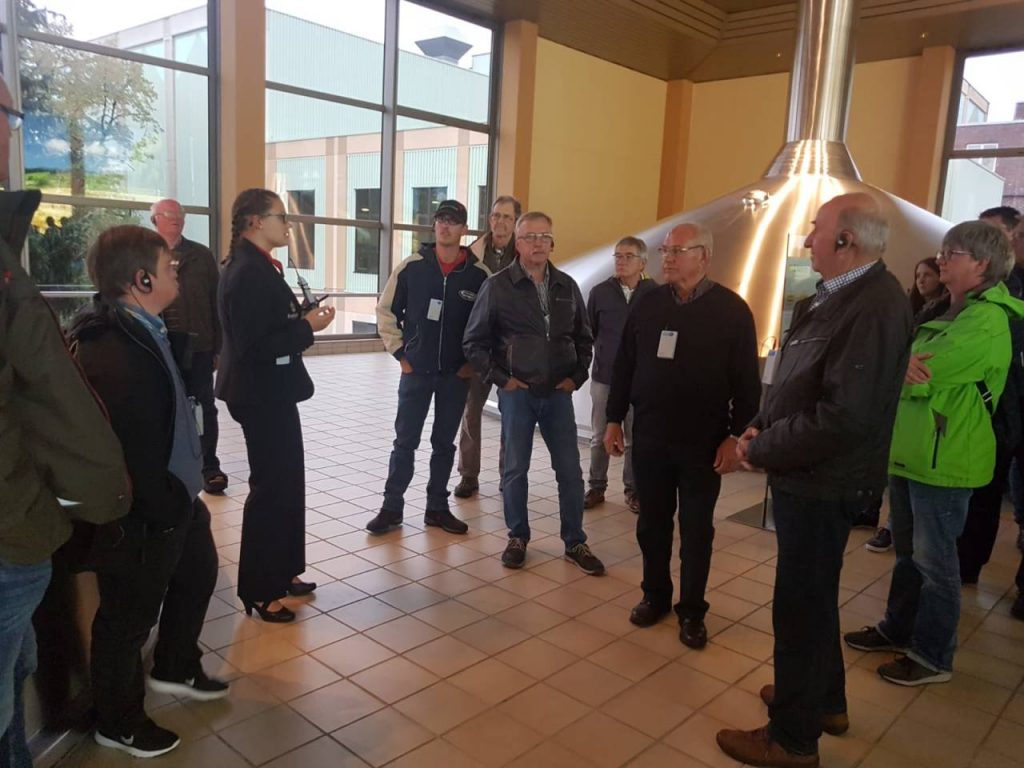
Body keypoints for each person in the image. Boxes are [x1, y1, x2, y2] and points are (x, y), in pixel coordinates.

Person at [716, 194, 913, 767]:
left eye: (815, 230)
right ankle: (823, 701)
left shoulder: (874, 306)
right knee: (815, 598)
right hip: (806, 473)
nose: (807, 241)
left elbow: (843, 415)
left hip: (824, 479)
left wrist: (761, 450)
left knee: (799, 608)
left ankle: (792, 739)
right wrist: (759, 423)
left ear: (846, 241)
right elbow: (795, 380)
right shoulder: (834, 298)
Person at [0, 75, 131, 768]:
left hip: (23, 524)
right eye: (11, 115)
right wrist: (38, 508)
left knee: (13, 682)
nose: (13, 132)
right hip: (13, 531)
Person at [69, 225, 227, 758]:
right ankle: (119, 722)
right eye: (167, 267)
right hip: (145, 511)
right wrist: (162, 509)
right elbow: (131, 448)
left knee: (198, 570)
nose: (175, 273)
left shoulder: (144, 328)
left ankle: (176, 665)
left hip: (174, 496)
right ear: (141, 280)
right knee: (127, 618)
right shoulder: (112, 349)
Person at [844, 221, 1022, 689]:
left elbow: (927, 374)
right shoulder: (943, 307)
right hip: (913, 451)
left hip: (947, 458)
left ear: (982, 263)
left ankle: (932, 655)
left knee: (936, 564)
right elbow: (902, 365)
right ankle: (896, 628)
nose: (941, 259)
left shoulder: (989, 319)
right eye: (942, 251)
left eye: (952, 253)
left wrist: (897, 366)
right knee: (908, 556)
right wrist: (899, 365)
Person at [605, 223, 760, 649]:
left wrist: (736, 436)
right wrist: (614, 418)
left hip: (702, 442)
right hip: (651, 436)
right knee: (652, 524)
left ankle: (692, 610)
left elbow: (748, 385)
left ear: (703, 256)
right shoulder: (648, 303)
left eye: (677, 251)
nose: (667, 258)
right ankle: (654, 595)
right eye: (665, 250)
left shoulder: (731, 310)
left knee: (695, 531)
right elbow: (624, 364)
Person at [216, 189, 335, 622]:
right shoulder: (246, 271)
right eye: (281, 216)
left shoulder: (260, 266)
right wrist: (307, 327)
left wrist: (301, 318)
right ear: (254, 221)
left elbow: (267, 326)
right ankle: (260, 589)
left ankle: (284, 571)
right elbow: (253, 346)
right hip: (259, 394)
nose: (288, 224)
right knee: (270, 489)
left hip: (274, 391)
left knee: (288, 484)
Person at [463, 211, 605, 575]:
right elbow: (474, 341)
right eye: (529, 237)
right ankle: (517, 537)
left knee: (570, 471)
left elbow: (584, 337)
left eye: (544, 236)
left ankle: (575, 541)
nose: (537, 243)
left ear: (552, 243)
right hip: (518, 393)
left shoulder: (567, 286)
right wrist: (502, 379)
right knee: (515, 469)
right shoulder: (497, 286)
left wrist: (577, 376)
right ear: (518, 244)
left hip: (558, 393)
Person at [367, 200, 490, 534]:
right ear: (434, 225)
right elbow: (385, 311)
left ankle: (437, 508)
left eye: (453, 221)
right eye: (440, 220)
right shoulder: (412, 267)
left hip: (455, 376)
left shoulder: (479, 275)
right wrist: (400, 355)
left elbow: (489, 325)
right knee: (404, 443)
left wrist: (471, 364)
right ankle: (391, 508)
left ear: (464, 229)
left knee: (444, 445)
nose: (445, 226)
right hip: (416, 374)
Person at [955, 209, 1024, 585]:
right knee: (982, 490)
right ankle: (966, 564)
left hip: (1006, 406)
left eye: (991, 233)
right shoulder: (975, 292)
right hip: (992, 407)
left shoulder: (1002, 300)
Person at [865, 256, 949, 553]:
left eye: (928, 275)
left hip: (924, 407)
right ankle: (884, 522)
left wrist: (901, 367)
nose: (921, 280)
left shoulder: (948, 313)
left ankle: (891, 528)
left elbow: (925, 369)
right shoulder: (911, 309)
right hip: (897, 402)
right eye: (918, 275)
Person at [151, 198, 227, 495]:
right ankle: (169, 466)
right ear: (155, 219)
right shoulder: (144, 253)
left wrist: (219, 346)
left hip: (199, 347)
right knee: (164, 407)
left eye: (180, 214)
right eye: (170, 214)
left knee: (204, 407)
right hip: (160, 348)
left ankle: (209, 466)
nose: (177, 218)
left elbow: (216, 301)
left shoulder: (200, 255)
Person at [453, 195, 520, 499]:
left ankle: (508, 475)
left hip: (511, 351)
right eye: (496, 216)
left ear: (515, 222)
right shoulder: (471, 255)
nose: (500, 222)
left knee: (512, 414)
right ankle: (468, 474)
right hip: (478, 349)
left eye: (507, 217)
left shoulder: (524, 254)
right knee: (471, 412)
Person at [585, 235, 656, 513]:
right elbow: (588, 332)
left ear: (642, 263)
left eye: (628, 257)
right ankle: (596, 486)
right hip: (605, 378)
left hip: (640, 380)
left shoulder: (655, 294)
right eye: (618, 256)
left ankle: (633, 490)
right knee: (599, 434)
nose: (621, 262)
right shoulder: (600, 292)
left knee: (635, 437)